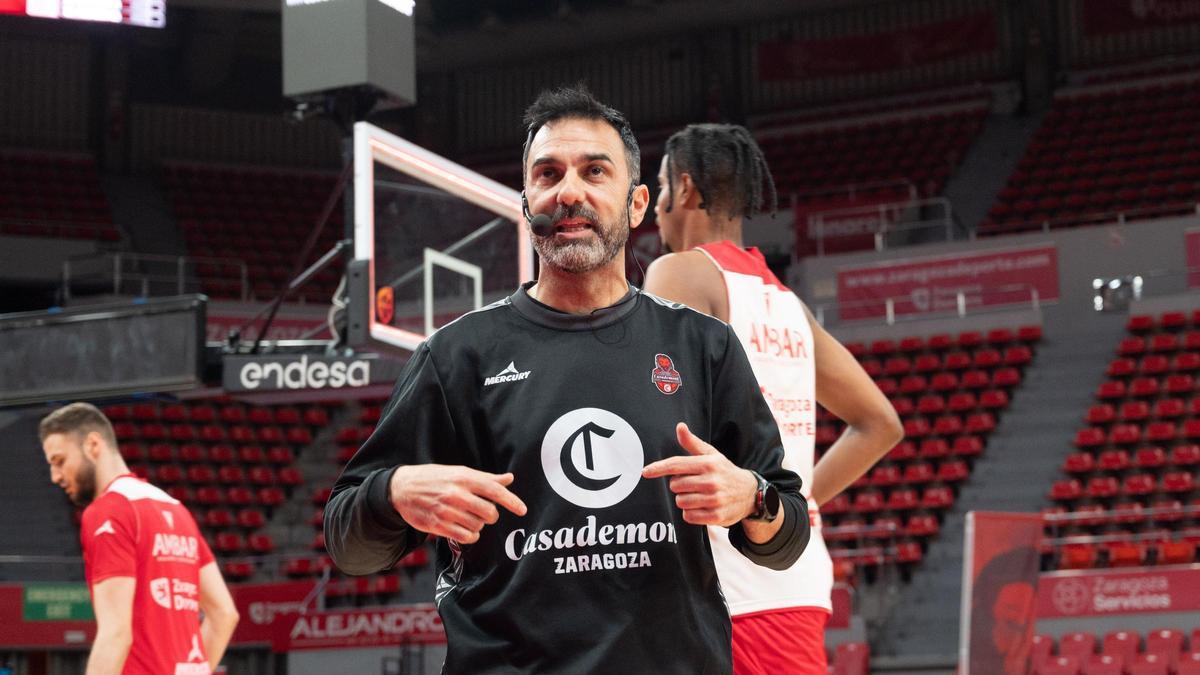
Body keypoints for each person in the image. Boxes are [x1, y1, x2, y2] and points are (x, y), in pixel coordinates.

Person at [324, 85, 810, 674]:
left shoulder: (702, 345)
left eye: (594, 171)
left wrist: (750, 498)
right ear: (526, 203)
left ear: (635, 204)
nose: (569, 191)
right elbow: (348, 543)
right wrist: (395, 491)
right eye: (547, 174)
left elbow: (787, 536)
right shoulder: (457, 356)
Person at [643, 123, 903, 674]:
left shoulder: (678, 272)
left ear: (686, 190)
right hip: (792, 571)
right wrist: (796, 502)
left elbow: (640, 408)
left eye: (661, 190)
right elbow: (879, 423)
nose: (656, 210)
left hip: (728, 583)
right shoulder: (787, 303)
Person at [39, 402, 239, 675]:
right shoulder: (175, 509)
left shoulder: (107, 511)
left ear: (93, 445)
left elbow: (116, 633)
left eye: (59, 461)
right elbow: (224, 614)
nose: (55, 476)